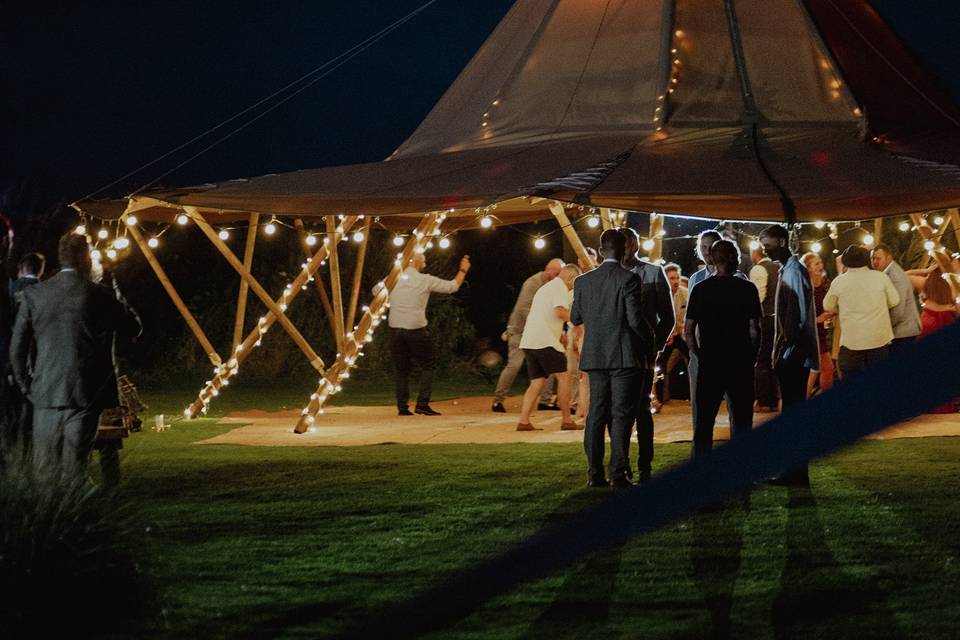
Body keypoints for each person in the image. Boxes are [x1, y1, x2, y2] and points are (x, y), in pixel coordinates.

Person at [9, 234, 141, 480]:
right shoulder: (99, 294)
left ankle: (49, 515)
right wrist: (114, 289)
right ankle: (78, 514)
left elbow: (18, 348)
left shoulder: (36, 295)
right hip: (85, 392)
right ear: (86, 259)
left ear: (61, 257)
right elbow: (133, 328)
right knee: (75, 467)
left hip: (44, 390)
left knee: (44, 468)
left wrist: (27, 385)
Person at [570, 229, 651, 487]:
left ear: (602, 249)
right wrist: (650, 340)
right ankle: (618, 473)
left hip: (595, 355)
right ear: (624, 249)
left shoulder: (583, 282)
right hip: (624, 355)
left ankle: (594, 473)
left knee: (595, 414)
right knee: (621, 415)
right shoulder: (629, 279)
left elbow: (575, 318)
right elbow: (634, 319)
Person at [684, 240, 761, 458]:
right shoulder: (747, 288)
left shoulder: (700, 289)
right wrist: (752, 356)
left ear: (714, 260)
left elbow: (689, 330)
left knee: (704, 421)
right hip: (740, 360)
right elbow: (755, 328)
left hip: (711, 361)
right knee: (742, 419)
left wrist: (698, 353)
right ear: (733, 259)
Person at [759, 225, 820, 485]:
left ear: (782, 242)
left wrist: (783, 351)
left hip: (793, 355)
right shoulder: (788, 270)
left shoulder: (794, 272)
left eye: (768, 244)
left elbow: (794, 317)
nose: (763, 249)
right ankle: (795, 470)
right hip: (793, 352)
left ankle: (795, 472)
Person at [620, 227, 673, 484]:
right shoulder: (609, 274)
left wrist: (657, 344)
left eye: (630, 243)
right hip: (616, 352)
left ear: (636, 246)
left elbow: (668, 316)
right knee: (619, 411)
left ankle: (645, 463)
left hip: (643, 352)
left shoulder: (653, 272)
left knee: (641, 408)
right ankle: (622, 463)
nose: (627, 248)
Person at [388, 252, 471, 416]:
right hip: (415, 329)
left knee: (402, 369)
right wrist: (463, 270)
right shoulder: (424, 280)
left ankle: (402, 407)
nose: (425, 261)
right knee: (428, 364)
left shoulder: (393, 278)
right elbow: (452, 286)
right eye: (423, 258)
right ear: (416, 261)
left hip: (395, 328)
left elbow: (376, 291)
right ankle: (422, 403)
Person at [492, 258, 564, 413]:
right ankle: (498, 400)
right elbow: (524, 308)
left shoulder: (553, 285)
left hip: (538, 333)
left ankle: (545, 401)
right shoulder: (533, 283)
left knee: (549, 365)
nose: (559, 277)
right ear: (548, 270)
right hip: (519, 331)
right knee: (515, 364)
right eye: (557, 273)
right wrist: (543, 322)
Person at [516, 264, 581, 431]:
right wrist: (579, 320)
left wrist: (560, 335)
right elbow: (560, 312)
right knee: (564, 377)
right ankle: (566, 420)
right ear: (571, 278)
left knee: (537, 382)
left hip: (530, 340)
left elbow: (546, 314)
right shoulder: (559, 287)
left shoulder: (547, 288)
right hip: (544, 341)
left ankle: (523, 422)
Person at [823, 245, 899, 378]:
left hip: (852, 342)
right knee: (879, 381)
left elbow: (828, 306)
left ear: (845, 262)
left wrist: (841, 307)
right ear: (867, 260)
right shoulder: (880, 277)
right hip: (879, 340)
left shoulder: (839, 282)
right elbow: (894, 301)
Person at [918, 269, 957, 413]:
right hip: (946, 321)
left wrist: (925, 270)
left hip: (928, 322)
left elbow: (906, 275)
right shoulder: (951, 283)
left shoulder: (927, 282)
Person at [871, 244, 921, 354]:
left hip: (904, 333)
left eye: (878, 258)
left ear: (888, 258)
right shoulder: (887, 274)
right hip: (902, 332)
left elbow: (898, 311)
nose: (875, 262)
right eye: (873, 258)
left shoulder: (895, 277)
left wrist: (882, 329)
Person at [567, 248, 598, 420]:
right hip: (587, 333)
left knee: (585, 377)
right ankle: (586, 412)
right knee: (586, 377)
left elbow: (574, 316)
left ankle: (583, 411)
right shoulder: (585, 285)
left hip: (585, 332)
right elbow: (574, 317)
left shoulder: (580, 284)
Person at [749, 245, 780, 412]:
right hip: (780, 320)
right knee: (774, 361)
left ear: (755, 254)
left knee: (762, 361)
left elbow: (758, 297)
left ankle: (763, 401)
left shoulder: (759, 269)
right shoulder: (779, 267)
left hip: (766, 319)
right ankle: (774, 400)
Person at [801, 252, 835, 397]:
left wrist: (831, 312)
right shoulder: (804, 287)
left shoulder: (824, 282)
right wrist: (818, 319)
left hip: (820, 332)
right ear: (807, 268)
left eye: (820, 262)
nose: (821, 266)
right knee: (816, 370)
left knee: (826, 369)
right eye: (816, 264)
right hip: (809, 333)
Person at [656, 263, 689, 405]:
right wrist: (666, 334)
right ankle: (659, 398)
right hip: (666, 335)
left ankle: (696, 395)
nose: (675, 281)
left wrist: (683, 327)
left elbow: (690, 315)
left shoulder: (685, 293)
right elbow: (656, 317)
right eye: (671, 278)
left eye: (677, 277)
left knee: (693, 359)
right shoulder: (659, 294)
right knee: (660, 365)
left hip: (681, 334)